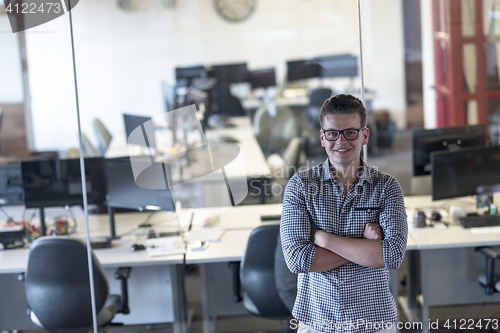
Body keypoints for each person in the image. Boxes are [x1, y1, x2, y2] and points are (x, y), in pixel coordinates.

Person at [280, 94, 407, 333]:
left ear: (364, 135)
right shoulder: (301, 186)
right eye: (332, 133)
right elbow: (297, 260)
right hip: (317, 319)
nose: (341, 141)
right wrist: (365, 246)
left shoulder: (386, 187)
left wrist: (324, 240)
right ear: (322, 137)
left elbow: (391, 255)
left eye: (350, 132)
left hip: (374, 319)